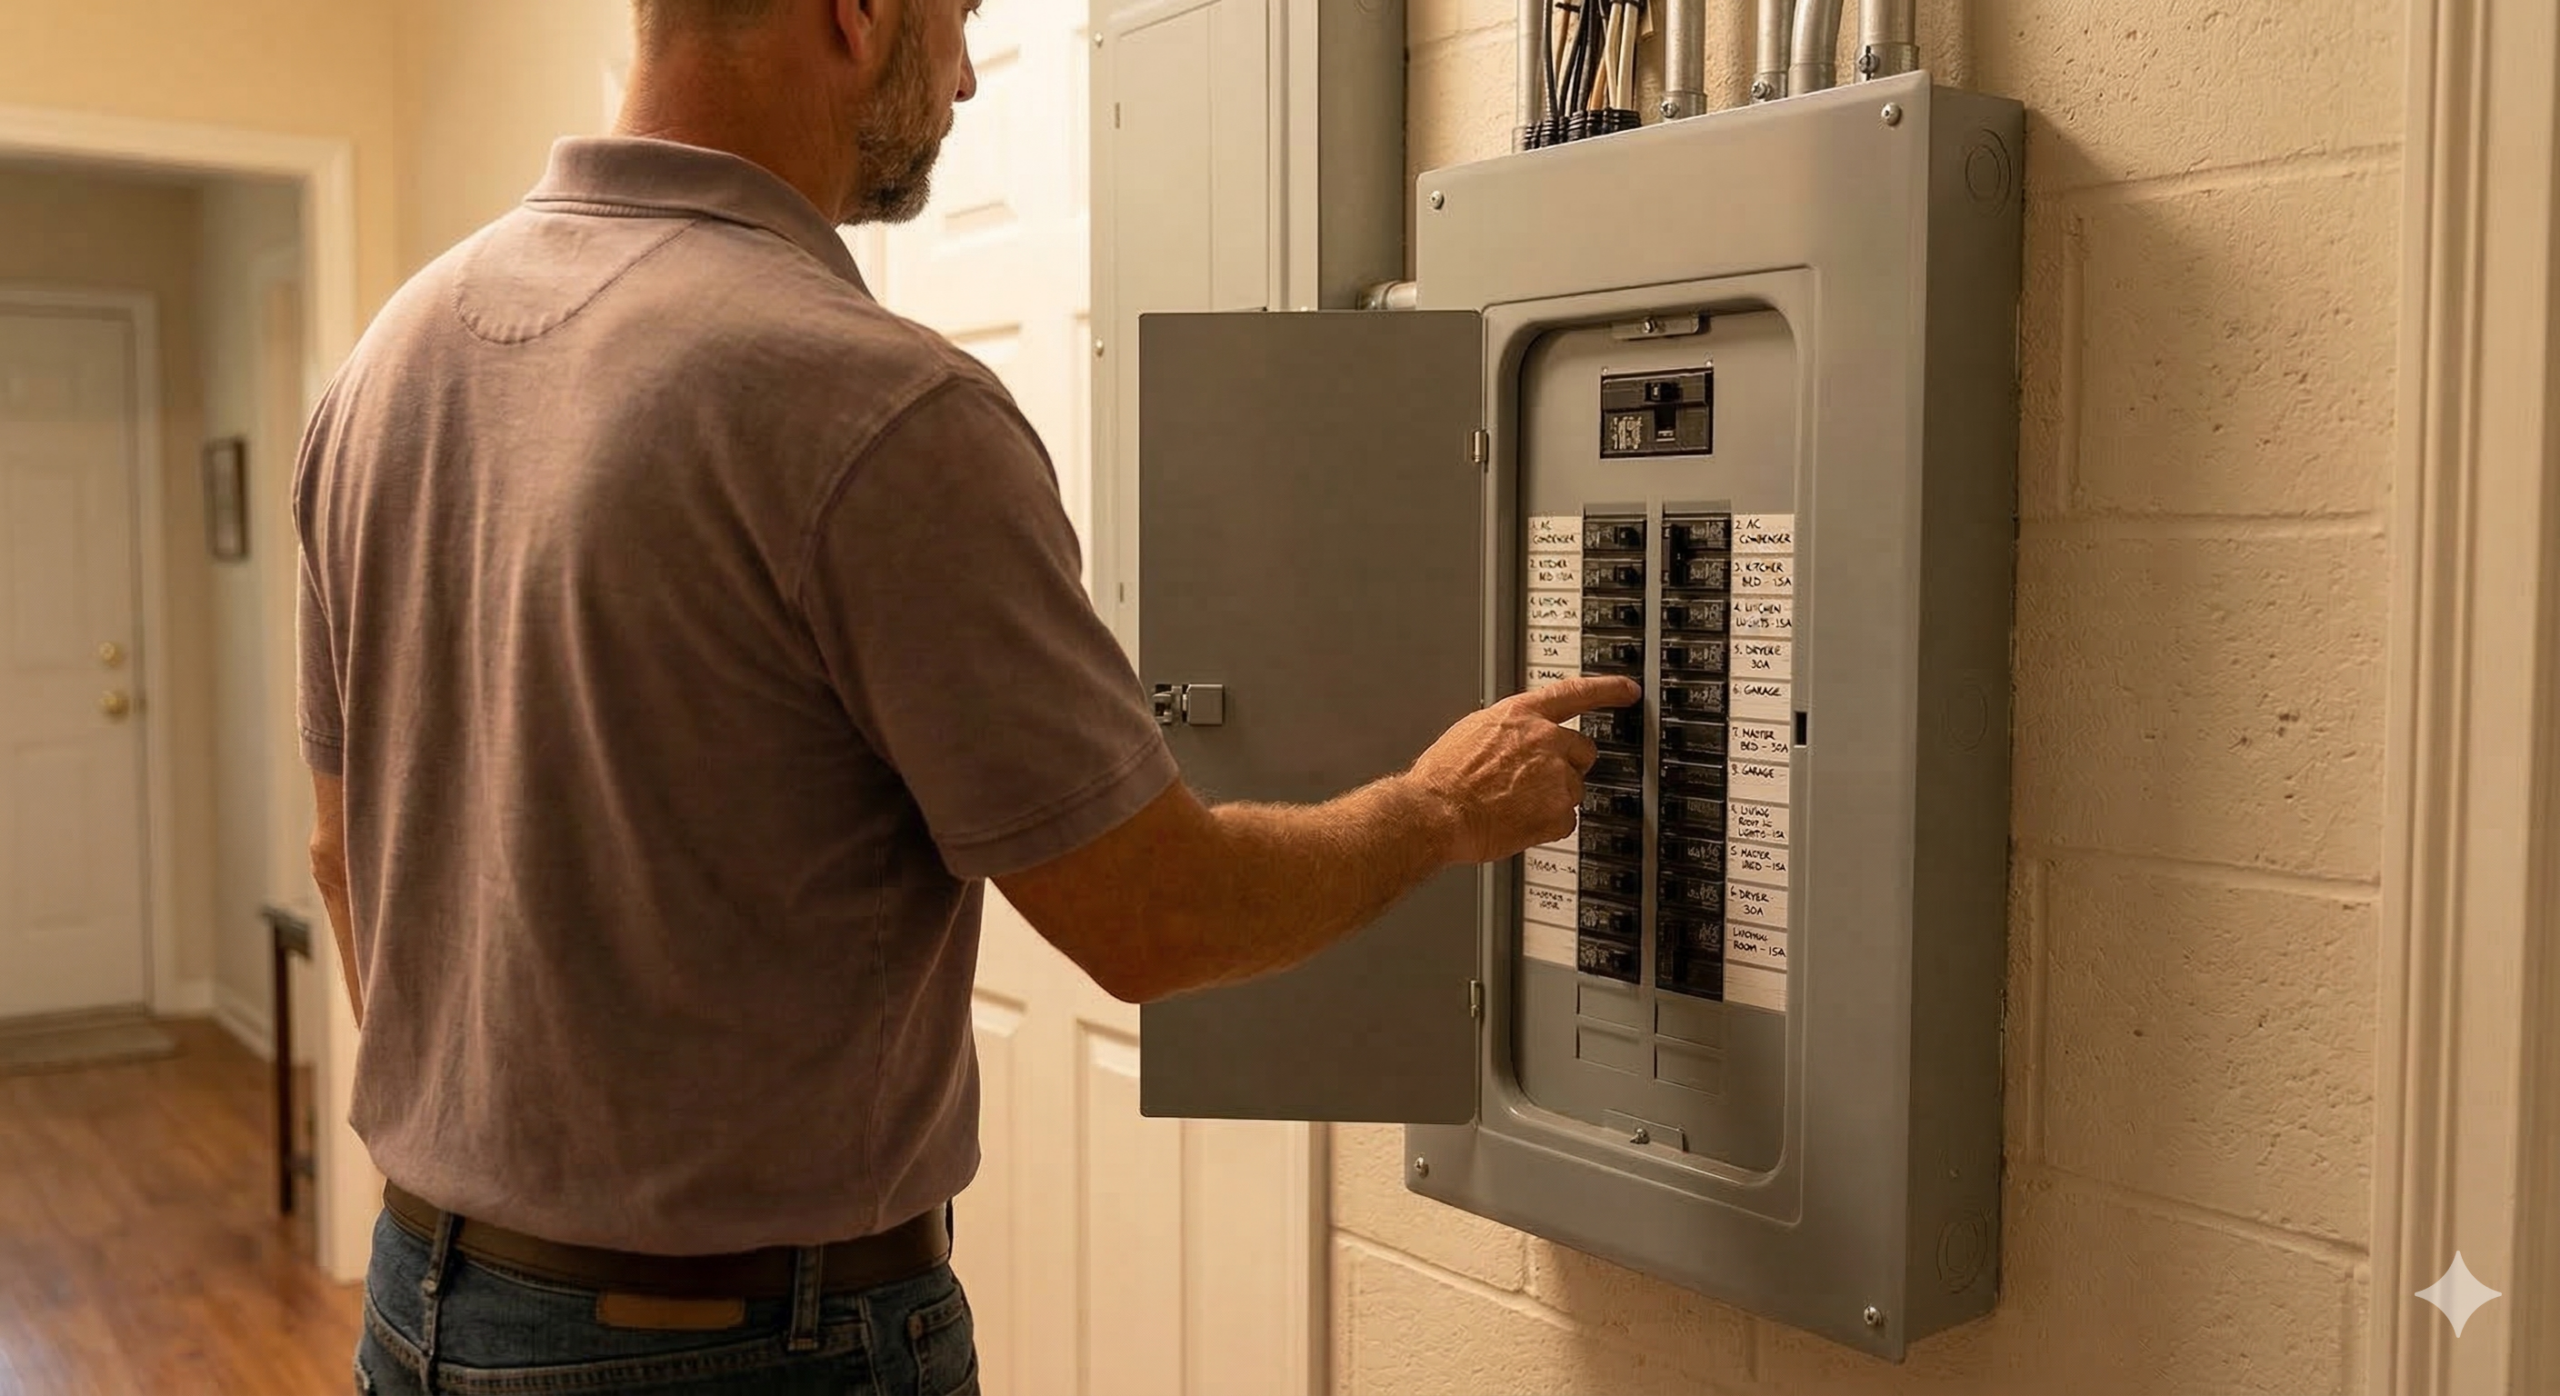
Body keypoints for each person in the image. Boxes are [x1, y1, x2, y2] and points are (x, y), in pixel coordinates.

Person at [295, 0, 1639, 1391]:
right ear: (861, 15)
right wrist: (1433, 810)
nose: (965, 83)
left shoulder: (387, 368)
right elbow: (1156, 921)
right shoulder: (871, 406)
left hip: (422, 1305)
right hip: (741, 1351)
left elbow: (344, 855)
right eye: (961, 23)